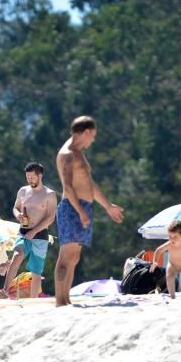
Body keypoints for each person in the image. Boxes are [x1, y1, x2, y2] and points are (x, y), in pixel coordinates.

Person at [54, 116, 125, 307]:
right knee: (66, 255)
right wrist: (80, 211)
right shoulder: (67, 154)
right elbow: (67, 187)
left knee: (74, 257)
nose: (92, 140)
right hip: (72, 207)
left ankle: (65, 298)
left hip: (82, 206)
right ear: (85, 132)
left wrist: (108, 206)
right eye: (92, 136)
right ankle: (60, 301)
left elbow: (89, 184)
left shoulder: (78, 153)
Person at [5, 162, 57, 298]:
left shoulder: (49, 194)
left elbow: (51, 217)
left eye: (32, 177)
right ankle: (5, 291)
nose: (30, 180)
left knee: (36, 270)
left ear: (40, 175)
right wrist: (18, 215)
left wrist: (34, 231)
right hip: (23, 231)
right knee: (17, 256)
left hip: (40, 234)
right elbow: (15, 207)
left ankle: (34, 299)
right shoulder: (23, 190)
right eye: (27, 177)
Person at [149, 220, 181, 300]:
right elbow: (159, 250)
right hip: (172, 264)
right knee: (169, 276)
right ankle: (172, 296)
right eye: (170, 236)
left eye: (175, 237)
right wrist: (155, 262)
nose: (172, 239)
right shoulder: (169, 244)